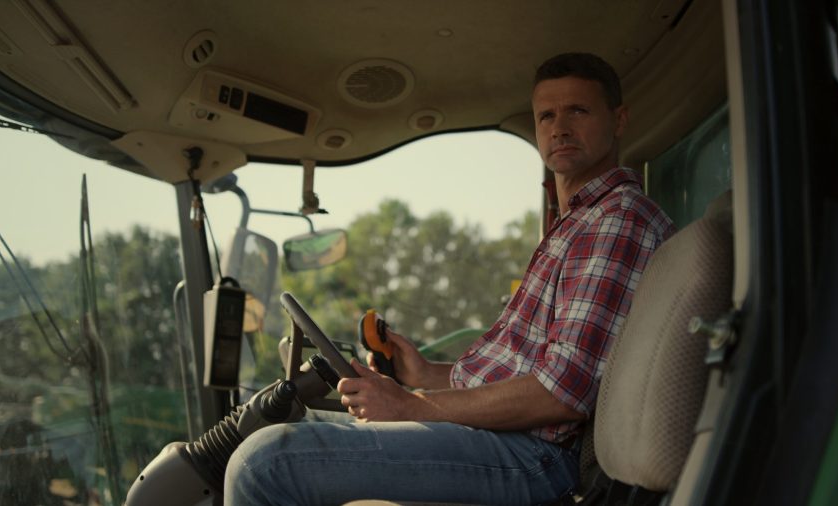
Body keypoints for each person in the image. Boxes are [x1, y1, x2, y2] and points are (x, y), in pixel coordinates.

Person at [224, 52, 675, 505]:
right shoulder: (578, 222)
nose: (559, 127)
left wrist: (410, 405)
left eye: (578, 110)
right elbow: (529, 369)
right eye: (546, 115)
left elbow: (562, 393)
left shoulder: (618, 219)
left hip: (534, 456)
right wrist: (427, 374)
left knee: (265, 464)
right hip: (511, 440)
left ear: (618, 121)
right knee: (274, 432)